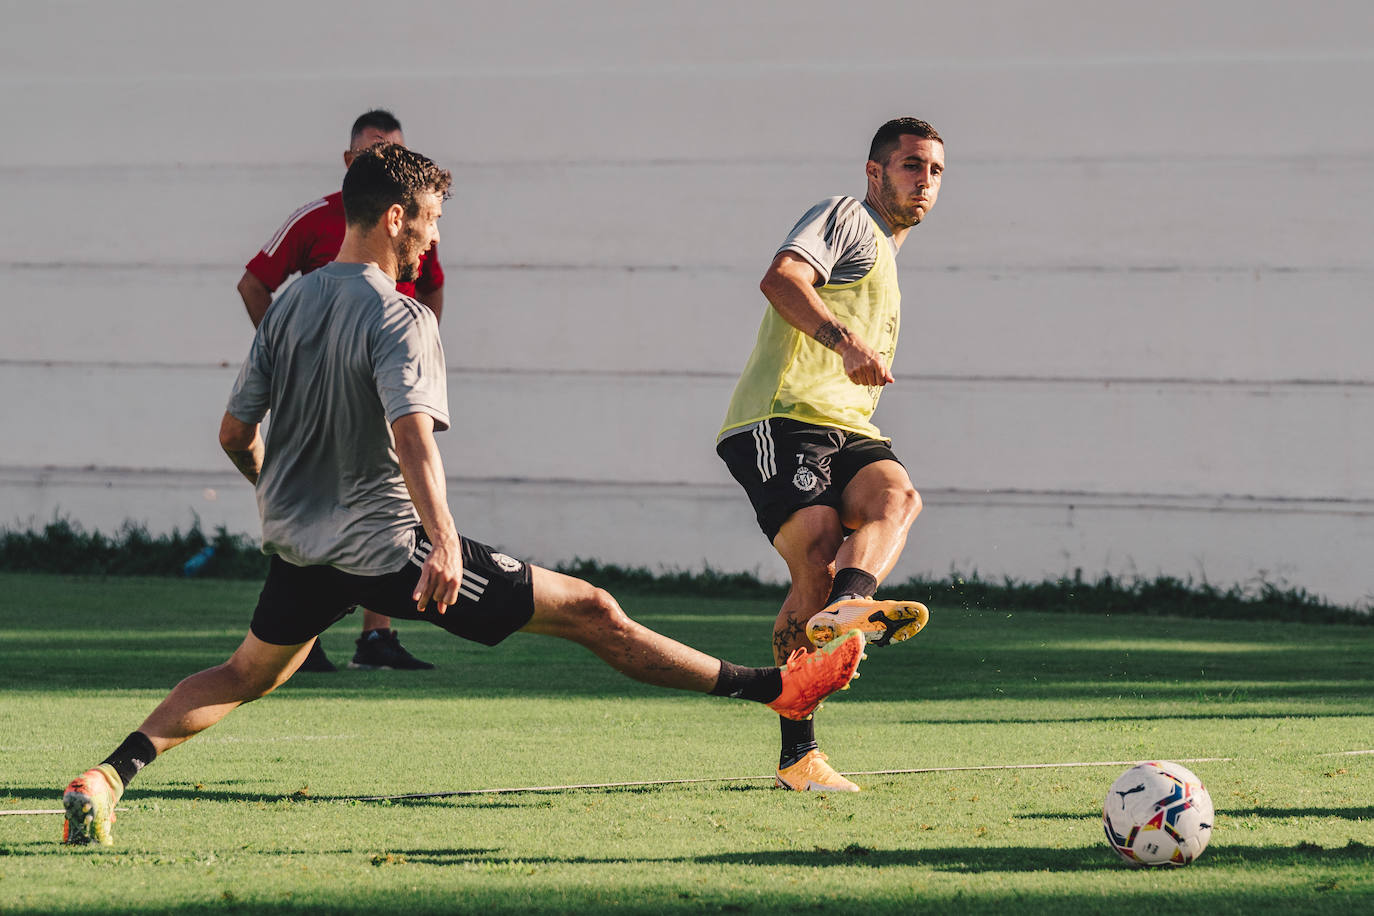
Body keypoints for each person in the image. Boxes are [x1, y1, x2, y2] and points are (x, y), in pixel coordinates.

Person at [60, 144, 867, 847]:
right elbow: (412, 438)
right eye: (432, 221)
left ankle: (106, 776)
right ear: (397, 217)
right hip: (389, 553)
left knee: (243, 674)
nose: (435, 239)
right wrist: (443, 541)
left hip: (302, 551)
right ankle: (774, 689)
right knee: (593, 612)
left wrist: (279, 494)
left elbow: (236, 435)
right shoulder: (401, 316)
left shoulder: (289, 305)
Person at [715, 117, 945, 793]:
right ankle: (800, 751)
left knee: (897, 500)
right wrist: (842, 341)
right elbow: (782, 279)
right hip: (780, 417)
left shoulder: (888, 255)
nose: (923, 181)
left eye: (934, 170)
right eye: (909, 165)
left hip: (848, 427)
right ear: (874, 172)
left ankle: (848, 610)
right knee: (814, 545)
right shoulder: (845, 216)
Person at [236, 109, 443, 673]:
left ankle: (377, 637)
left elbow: (431, 291)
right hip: (319, 387)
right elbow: (254, 283)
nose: (386, 162)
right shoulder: (317, 220)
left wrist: (417, 364)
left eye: (394, 152)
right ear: (349, 162)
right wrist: (288, 354)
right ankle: (304, 636)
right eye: (375, 152)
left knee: (386, 488)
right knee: (325, 497)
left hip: (380, 380)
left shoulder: (414, 227)